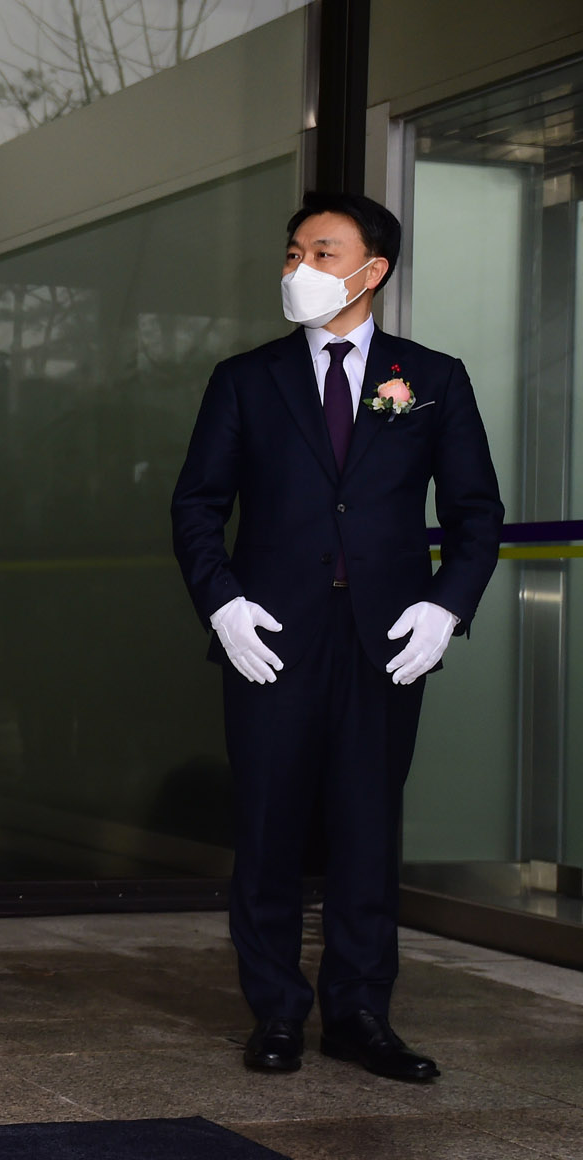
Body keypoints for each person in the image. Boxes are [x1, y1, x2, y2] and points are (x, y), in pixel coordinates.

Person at [169, 191, 502, 1082]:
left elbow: (477, 513)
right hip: (271, 638)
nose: (298, 270)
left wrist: (445, 607)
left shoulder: (433, 378)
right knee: (270, 827)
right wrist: (224, 604)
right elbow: (198, 505)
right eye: (293, 253)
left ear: (372, 270)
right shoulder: (247, 377)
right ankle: (276, 1011)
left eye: (320, 253)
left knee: (365, 830)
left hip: (387, 640)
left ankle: (360, 1013)